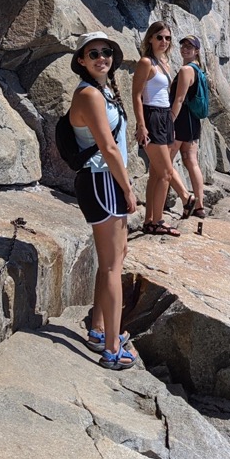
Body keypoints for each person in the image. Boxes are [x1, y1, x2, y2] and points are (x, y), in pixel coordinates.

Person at [67, 31, 137, 371]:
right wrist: (128, 188)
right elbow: (108, 149)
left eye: (106, 52)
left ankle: (98, 328)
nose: (101, 58)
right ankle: (111, 348)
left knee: (115, 258)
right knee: (112, 266)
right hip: (102, 181)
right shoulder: (89, 95)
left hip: (106, 180)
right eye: (92, 53)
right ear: (81, 60)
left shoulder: (103, 92)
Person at [131, 21, 191, 236]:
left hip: (164, 116)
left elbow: (165, 95)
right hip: (152, 116)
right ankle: (158, 221)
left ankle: (149, 220)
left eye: (167, 38)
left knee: (156, 174)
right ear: (150, 39)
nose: (164, 41)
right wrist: (141, 125)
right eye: (159, 37)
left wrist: (170, 123)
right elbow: (136, 95)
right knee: (166, 173)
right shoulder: (146, 62)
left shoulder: (164, 62)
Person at [170, 35, 206, 219]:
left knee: (165, 161)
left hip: (181, 120)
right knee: (191, 162)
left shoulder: (186, 70)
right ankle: (199, 206)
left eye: (189, 47)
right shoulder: (198, 70)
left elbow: (179, 99)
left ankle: (186, 198)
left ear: (197, 51)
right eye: (183, 45)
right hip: (193, 121)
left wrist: (170, 121)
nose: (185, 49)